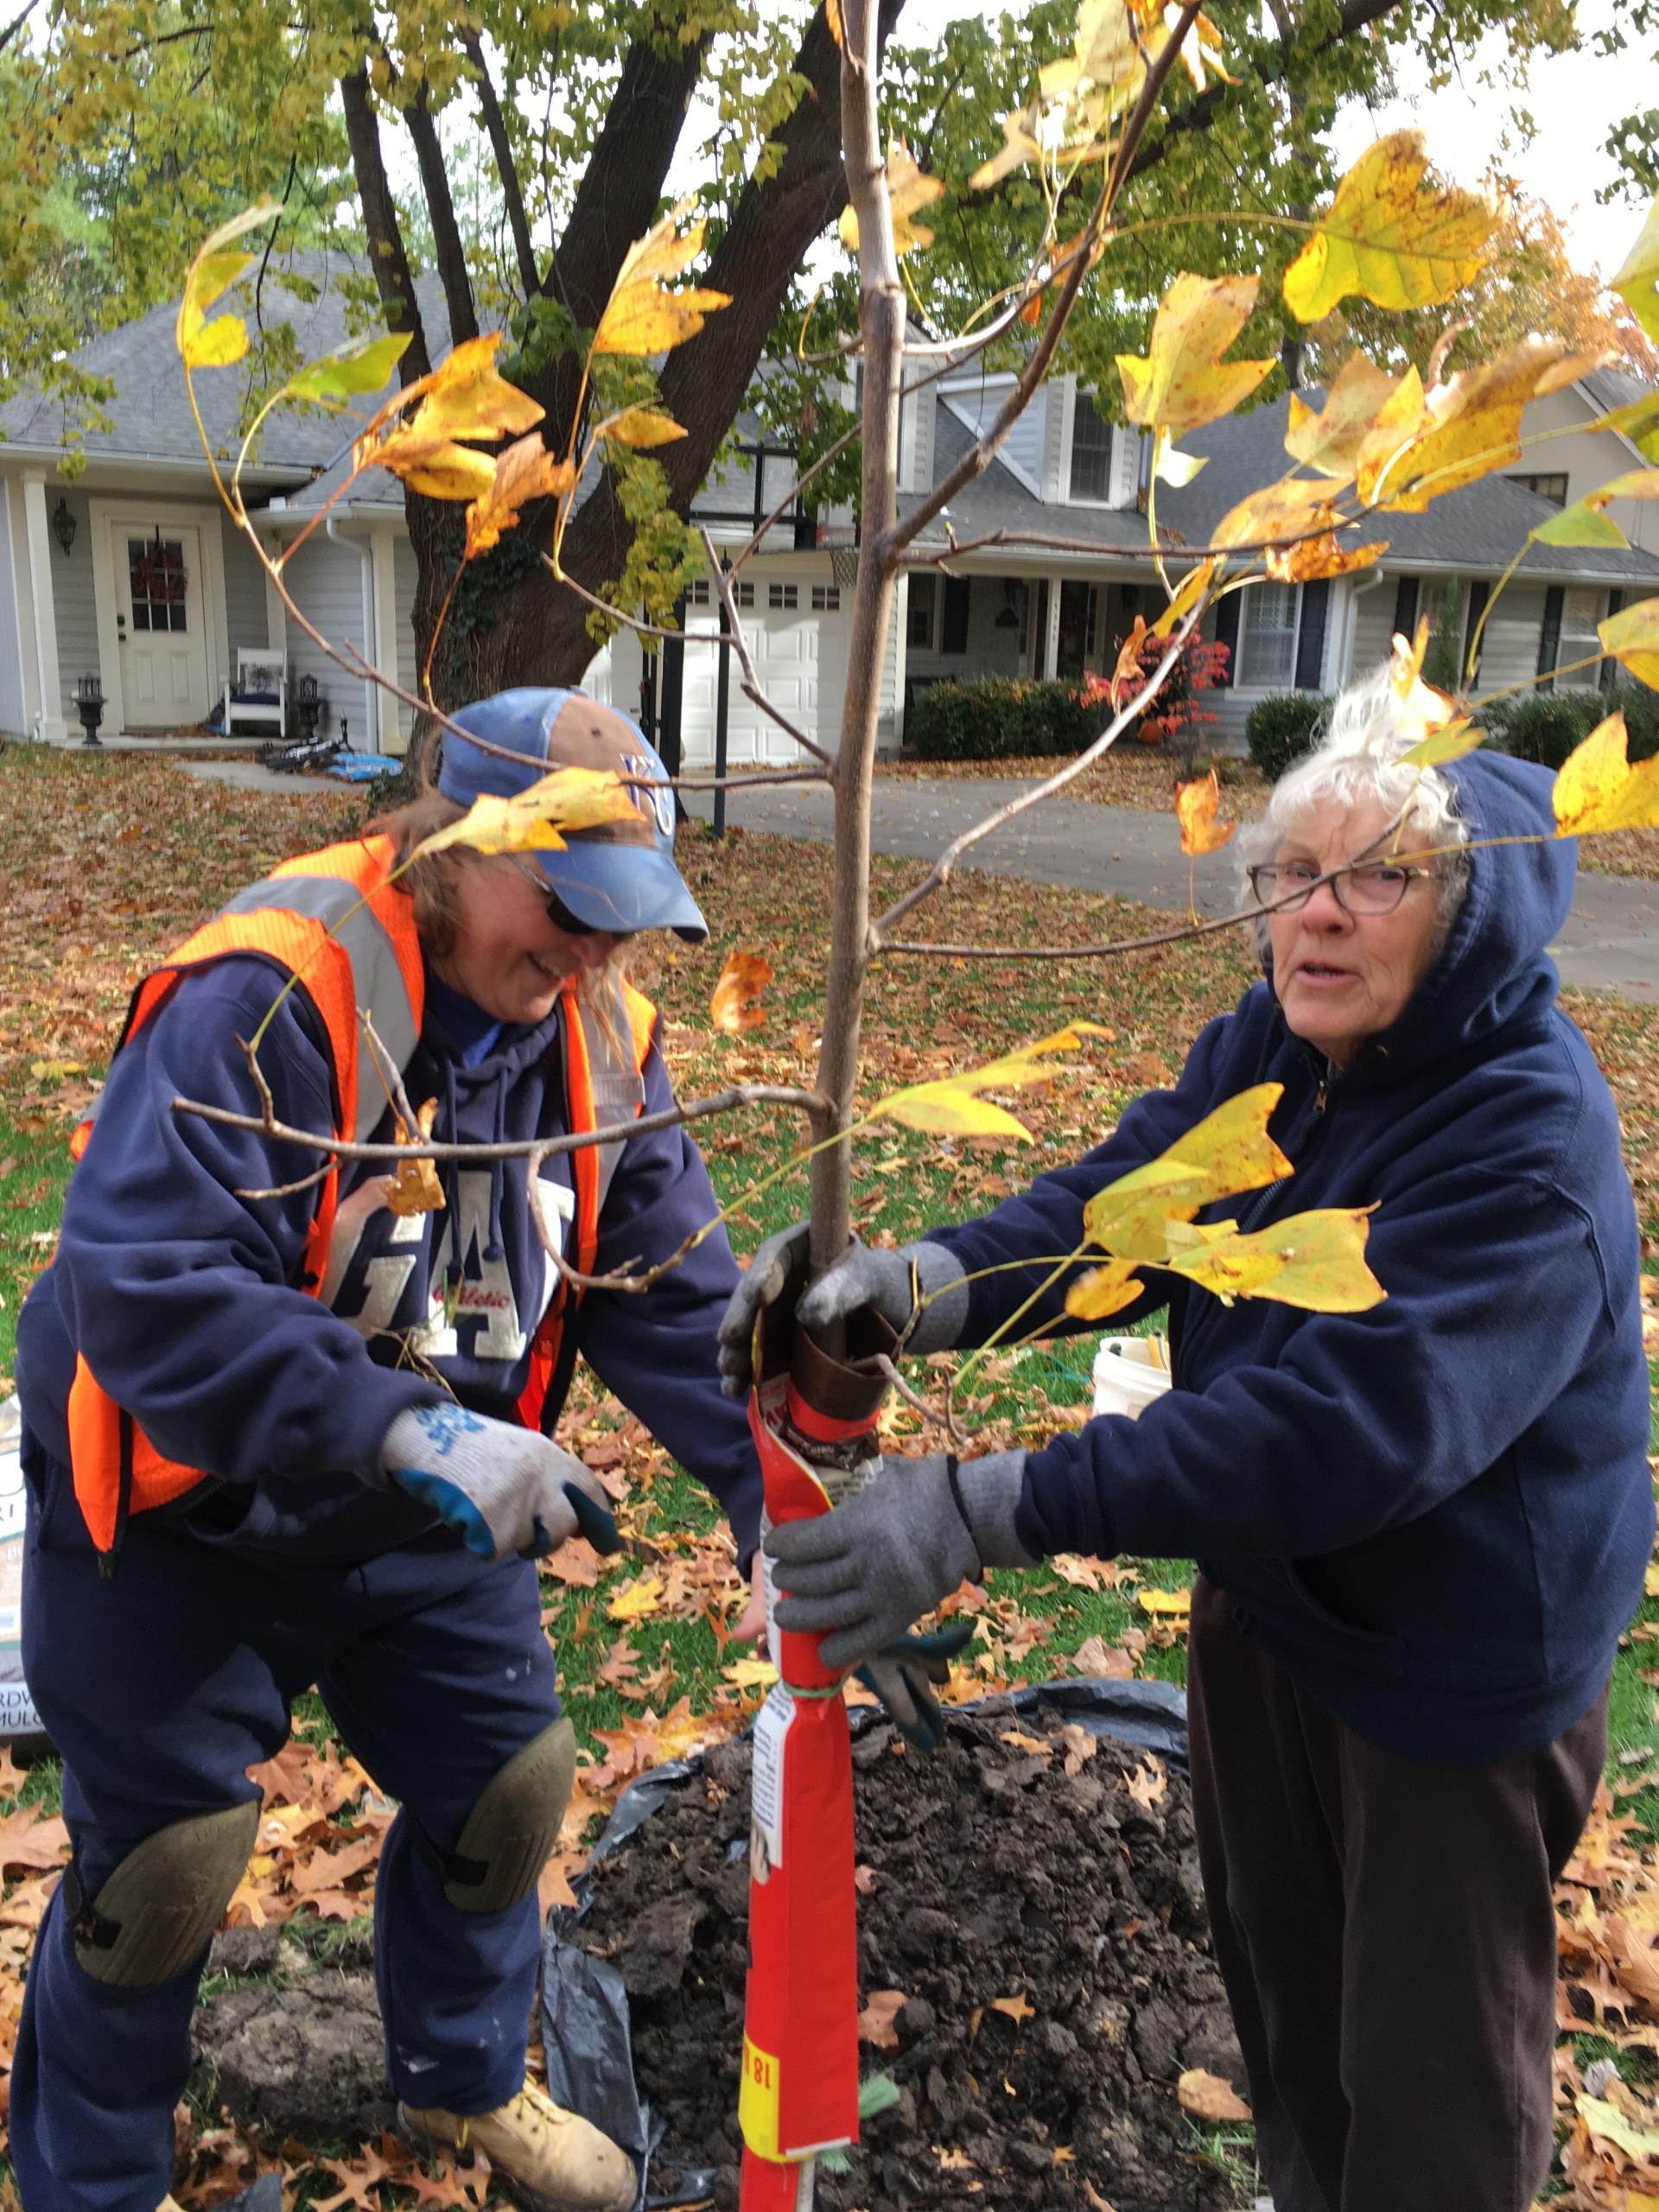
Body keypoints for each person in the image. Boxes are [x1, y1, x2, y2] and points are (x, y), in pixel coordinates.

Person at [719, 667, 1654, 2212]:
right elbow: (1121, 1207)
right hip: (1269, 1612)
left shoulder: (1526, 1142)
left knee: (1428, 2097)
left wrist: (978, 1508)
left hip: (1447, 1677)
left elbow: (1339, 1436)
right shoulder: (1286, 1053)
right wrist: (912, 1291)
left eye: (1377, 877)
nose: (1321, 914)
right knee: (1291, 2026)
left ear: (1470, 912)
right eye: (1293, 876)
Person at [13, 688, 764, 2212]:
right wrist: (402, 1424)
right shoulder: (275, 993)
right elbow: (148, 1292)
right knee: (161, 1869)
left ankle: (465, 2085)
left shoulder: (599, 1031)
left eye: (624, 923)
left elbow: (676, 1296)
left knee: (506, 1783)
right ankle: (91, 2179)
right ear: (441, 844)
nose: (590, 959)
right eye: (565, 908)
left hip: (421, 1506)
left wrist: (777, 1497)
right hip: (187, 1509)